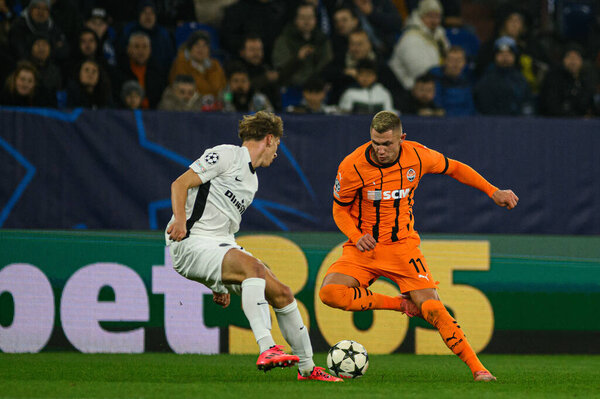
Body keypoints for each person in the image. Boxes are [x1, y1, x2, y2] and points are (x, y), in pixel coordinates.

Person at [320, 111, 518, 381]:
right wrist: (356, 236)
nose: (380, 150)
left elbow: (456, 168)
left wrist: (492, 190)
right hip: (364, 248)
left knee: (434, 309)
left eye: (387, 144)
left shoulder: (418, 156)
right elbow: (339, 210)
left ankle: (479, 370)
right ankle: (399, 305)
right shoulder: (352, 166)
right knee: (330, 293)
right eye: (375, 143)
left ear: (402, 138)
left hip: (403, 248)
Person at [165, 111, 342, 383]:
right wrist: (179, 220)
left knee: (281, 292)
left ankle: (307, 369)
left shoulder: (252, 182)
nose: (277, 153)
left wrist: (219, 284)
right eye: (278, 146)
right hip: (189, 241)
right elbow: (180, 183)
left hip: (216, 245)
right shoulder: (226, 155)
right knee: (255, 269)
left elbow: (224, 232)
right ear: (269, 139)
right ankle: (267, 347)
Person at [388, 0, 449, 90]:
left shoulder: (439, 36)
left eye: (437, 17)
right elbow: (420, 73)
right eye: (430, 16)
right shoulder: (411, 38)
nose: (434, 21)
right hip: (414, 90)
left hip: (435, 86)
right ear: (420, 17)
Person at [474, 36, 533, 116]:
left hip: (518, 124)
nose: (505, 57)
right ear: (495, 56)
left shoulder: (521, 79)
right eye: (501, 53)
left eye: (509, 54)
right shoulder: (486, 80)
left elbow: (527, 106)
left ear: (514, 57)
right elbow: (485, 108)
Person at [428, 46, 476, 116]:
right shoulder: (433, 79)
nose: (455, 64)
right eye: (452, 60)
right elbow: (437, 107)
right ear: (444, 61)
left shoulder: (466, 80)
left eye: (459, 60)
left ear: (464, 63)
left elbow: (470, 108)